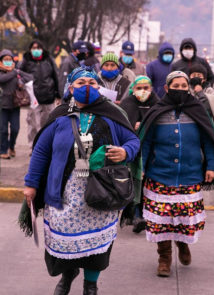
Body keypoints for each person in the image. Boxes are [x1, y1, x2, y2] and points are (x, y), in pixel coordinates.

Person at [22, 66, 140, 295]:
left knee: (95, 249)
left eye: (92, 83)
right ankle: (67, 276)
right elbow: (41, 153)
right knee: (65, 243)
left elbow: (133, 141)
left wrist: (126, 152)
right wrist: (31, 184)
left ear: (99, 87)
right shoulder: (59, 115)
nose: (87, 87)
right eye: (80, 83)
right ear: (70, 88)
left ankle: (90, 284)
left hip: (102, 191)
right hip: (64, 192)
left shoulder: (113, 114)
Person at [138, 71, 214, 277]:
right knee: (160, 219)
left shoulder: (198, 110)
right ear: (166, 88)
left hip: (190, 175)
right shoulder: (157, 111)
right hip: (159, 175)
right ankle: (164, 257)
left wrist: (212, 166)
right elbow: (146, 141)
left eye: (184, 86)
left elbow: (209, 141)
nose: (181, 89)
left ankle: (183, 245)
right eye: (176, 86)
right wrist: (141, 167)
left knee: (184, 217)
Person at [120, 76, 159, 233]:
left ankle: (147, 215)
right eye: (139, 88)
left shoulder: (157, 104)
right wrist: (133, 127)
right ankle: (136, 216)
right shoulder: (127, 104)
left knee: (149, 183)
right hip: (133, 151)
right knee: (136, 182)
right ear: (133, 89)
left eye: (146, 88)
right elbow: (121, 126)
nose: (143, 91)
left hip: (154, 151)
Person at [19, 40, 60, 149]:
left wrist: (58, 94)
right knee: (32, 124)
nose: (36, 50)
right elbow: (19, 76)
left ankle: (46, 146)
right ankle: (33, 146)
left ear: (42, 49)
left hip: (48, 96)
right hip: (33, 98)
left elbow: (56, 76)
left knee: (47, 124)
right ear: (30, 50)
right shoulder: (25, 61)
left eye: (38, 48)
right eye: (33, 48)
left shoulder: (49, 60)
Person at [0, 49, 32, 159]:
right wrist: (14, 72)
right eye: (5, 60)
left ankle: (11, 146)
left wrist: (21, 81)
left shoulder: (17, 71)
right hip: (2, 106)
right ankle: (3, 150)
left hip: (15, 105)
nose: (8, 62)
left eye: (10, 59)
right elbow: (2, 79)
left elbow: (30, 78)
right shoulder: (6, 72)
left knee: (15, 129)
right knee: (3, 130)